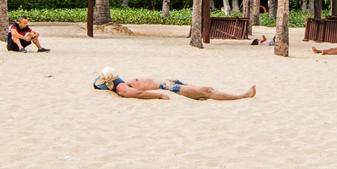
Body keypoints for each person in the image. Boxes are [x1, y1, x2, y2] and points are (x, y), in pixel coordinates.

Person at [92, 67, 255, 101]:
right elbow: (137, 94)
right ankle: (241, 96)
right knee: (207, 90)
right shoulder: (121, 88)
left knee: (204, 90)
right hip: (167, 87)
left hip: (168, 83)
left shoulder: (119, 83)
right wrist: (160, 95)